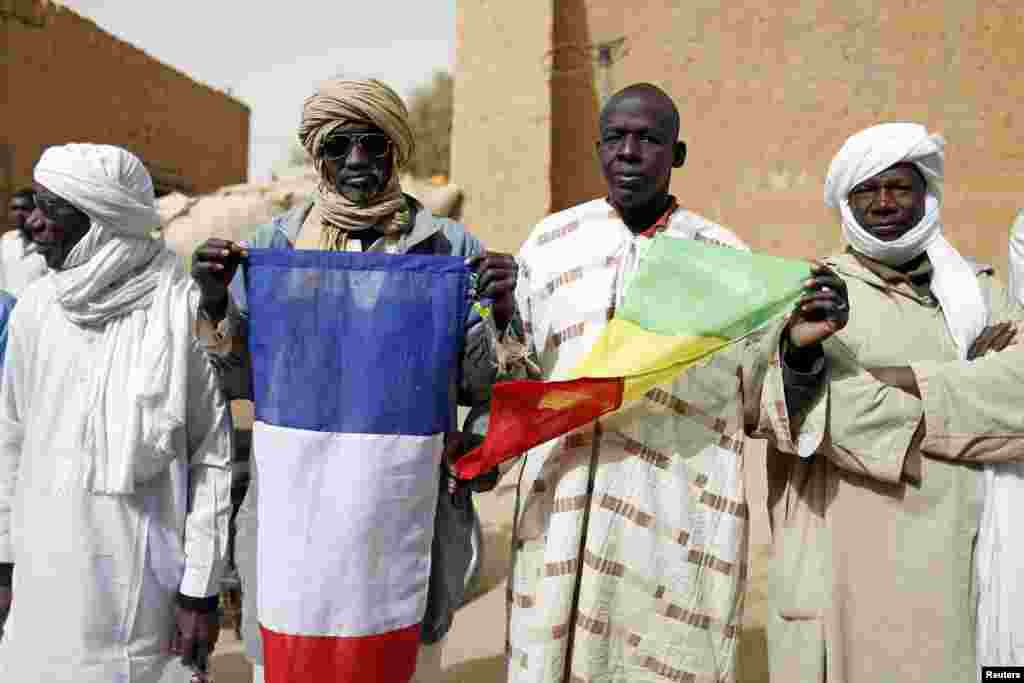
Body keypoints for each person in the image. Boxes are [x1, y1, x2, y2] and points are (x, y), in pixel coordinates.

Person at [482, 82, 849, 683]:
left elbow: (763, 395)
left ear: (676, 155)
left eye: (649, 139)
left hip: (678, 515)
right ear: (599, 149)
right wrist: (499, 317)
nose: (629, 152)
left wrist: (799, 347)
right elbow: (517, 386)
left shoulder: (722, 258)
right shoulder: (549, 246)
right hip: (561, 508)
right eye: (616, 138)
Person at [191, 78, 511, 683]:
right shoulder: (276, 246)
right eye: (340, 146)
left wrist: (497, 318)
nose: (358, 161)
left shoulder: (447, 249)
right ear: (318, 155)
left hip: (404, 519)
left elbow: (484, 389)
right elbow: (235, 381)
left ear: (396, 149)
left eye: (373, 144)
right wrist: (214, 304)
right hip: (298, 524)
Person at [765, 123, 1024, 682]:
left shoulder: (977, 293)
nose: (884, 202)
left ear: (926, 194)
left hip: (959, 564)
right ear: (846, 201)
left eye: (900, 187)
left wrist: (896, 378)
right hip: (848, 566)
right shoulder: (810, 293)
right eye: (868, 189)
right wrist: (967, 384)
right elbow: (790, 405)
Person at [0, 144, 233, 682]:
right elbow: (11, 437)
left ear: (102, 221)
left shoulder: (178, 311)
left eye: (51, 209)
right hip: (42, 586)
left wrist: (200, 591)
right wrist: (5, 558)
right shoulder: (37, 307)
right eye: (33, 204)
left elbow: (213, 459)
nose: (33, 224)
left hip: (142, 594)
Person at [3, 189, 47, 296]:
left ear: (37, 211)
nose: (18, 213)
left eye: (24, 208)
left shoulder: (48, 245)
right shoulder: (6, 240)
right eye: (14, 208)